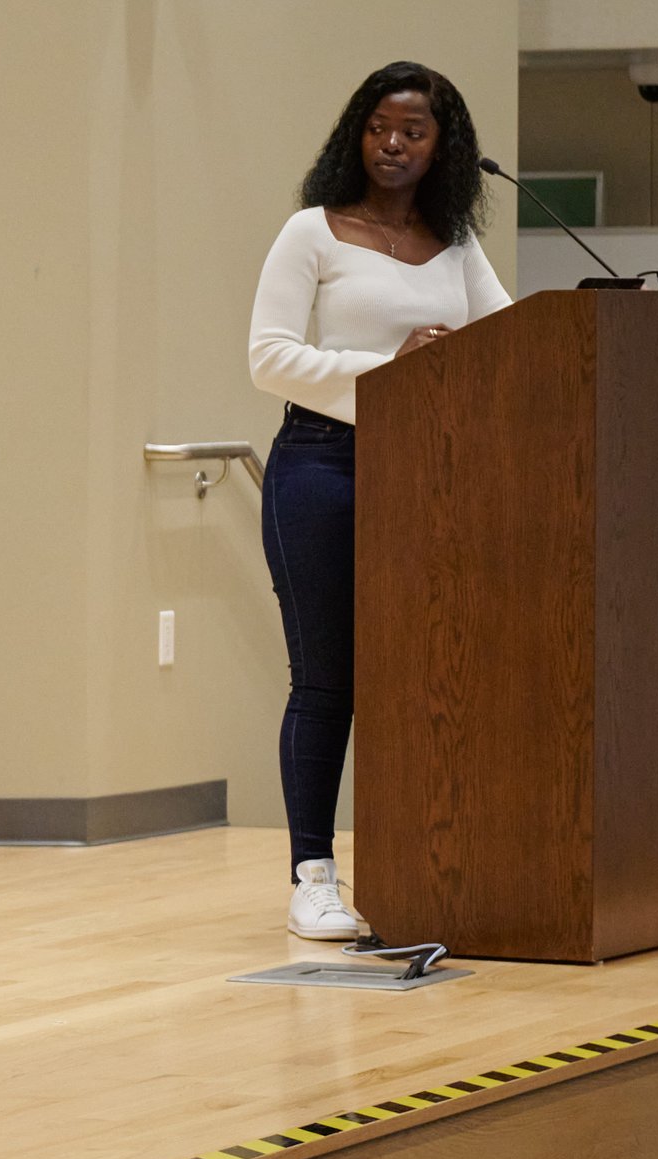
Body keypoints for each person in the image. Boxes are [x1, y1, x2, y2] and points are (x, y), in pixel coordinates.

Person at [249, 62, 509, 940]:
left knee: (423, 675)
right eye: (378, 127)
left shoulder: (458, 247)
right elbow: (269, 357)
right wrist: (390, 373)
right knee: (329, 679)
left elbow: (512, 349)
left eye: (414, 132)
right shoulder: (312, 232)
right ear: (356, 134)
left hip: (430, 478)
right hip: (322, 467)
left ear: (445, 149)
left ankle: (424, 858)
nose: (392, 145)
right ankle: (312, 874)